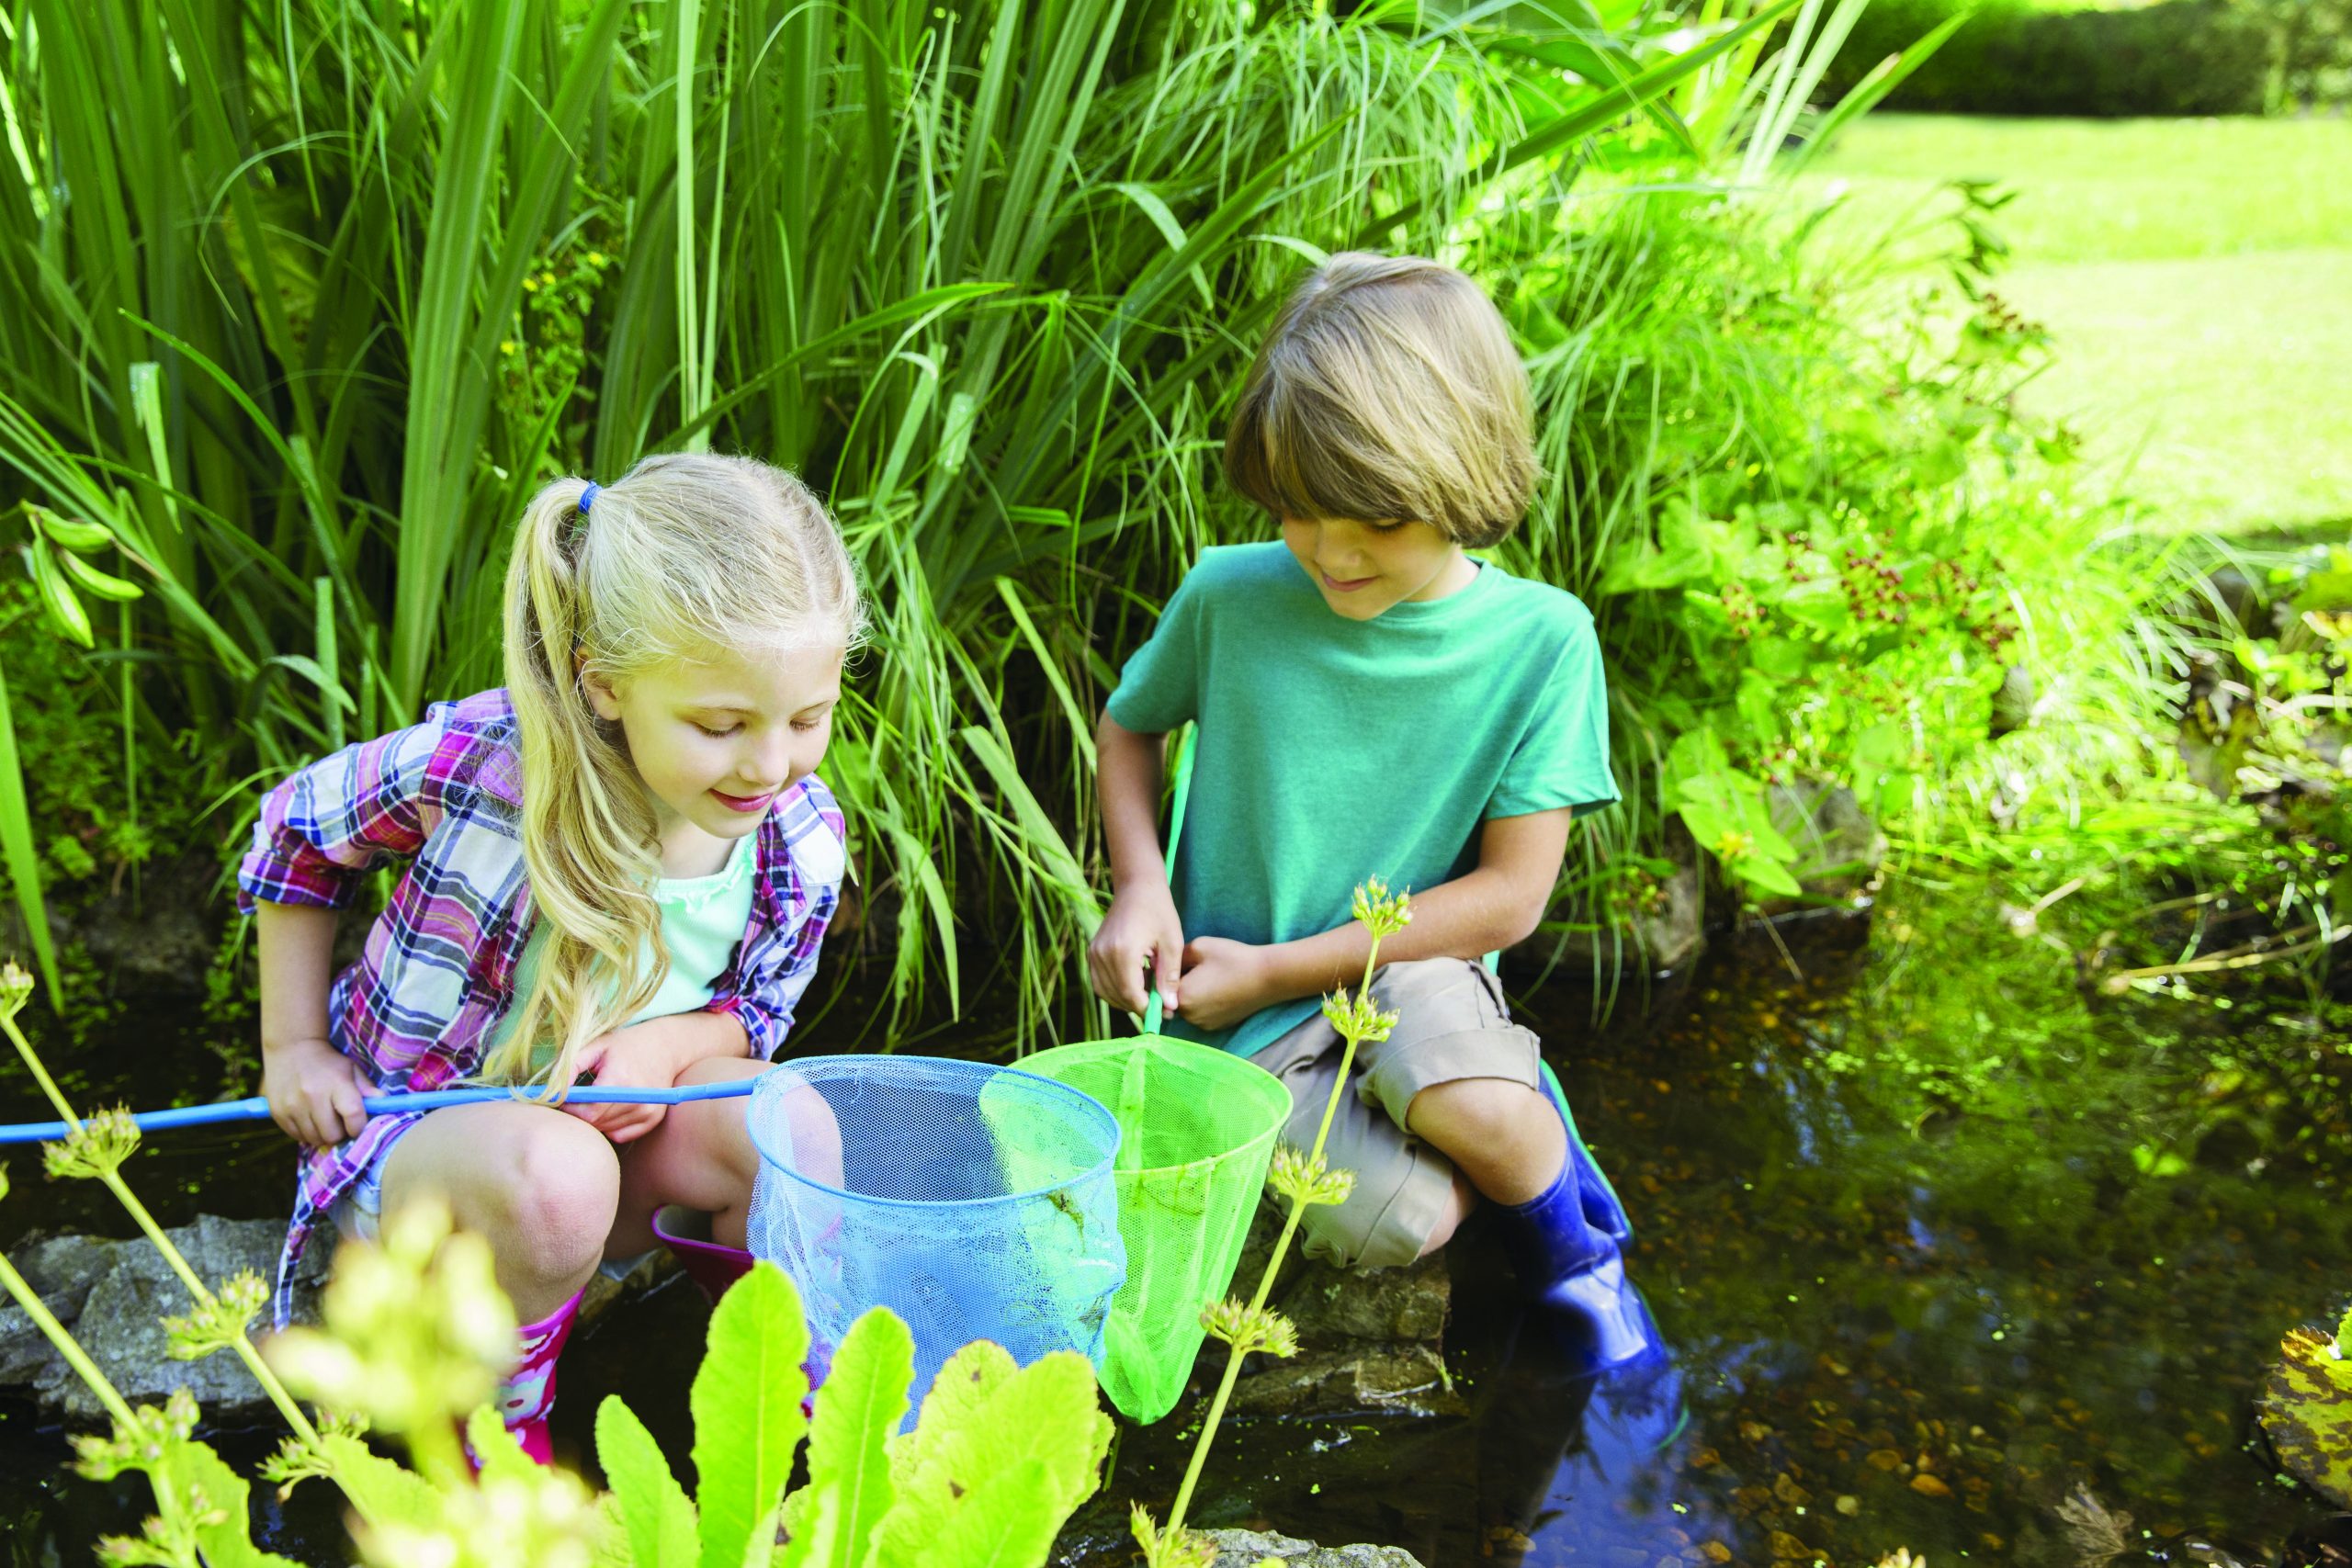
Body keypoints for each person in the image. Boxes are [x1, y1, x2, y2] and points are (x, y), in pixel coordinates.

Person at [1086, 253, 1659, 1370]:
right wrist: (1139, 885)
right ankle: (1486, 1115)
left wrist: (1287, 963)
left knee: (1476, 1111)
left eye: (1379, 520)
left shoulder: (1543, 641)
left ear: (1465, 477)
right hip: (1238, 1012)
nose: (1331, 552)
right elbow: (1129, 726)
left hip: (1414, 964)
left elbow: (1509, 897)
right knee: (1403, 1223)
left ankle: (1577, 1249)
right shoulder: (1231, 596)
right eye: (1298, 511)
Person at [240, 453, 858, 1460]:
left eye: (807, 719)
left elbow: (760, 1008)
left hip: (614, 1165)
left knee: (796, 1124)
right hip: (436, 1169)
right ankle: (494, 1425)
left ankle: (761, 1394)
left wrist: (668, 1049)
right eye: (719, 725)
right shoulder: (489, 765)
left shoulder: (795, 832)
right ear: (604, 685)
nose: (768, 764)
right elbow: (296, 835)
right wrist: (294, 1046)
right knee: (559, 1179)